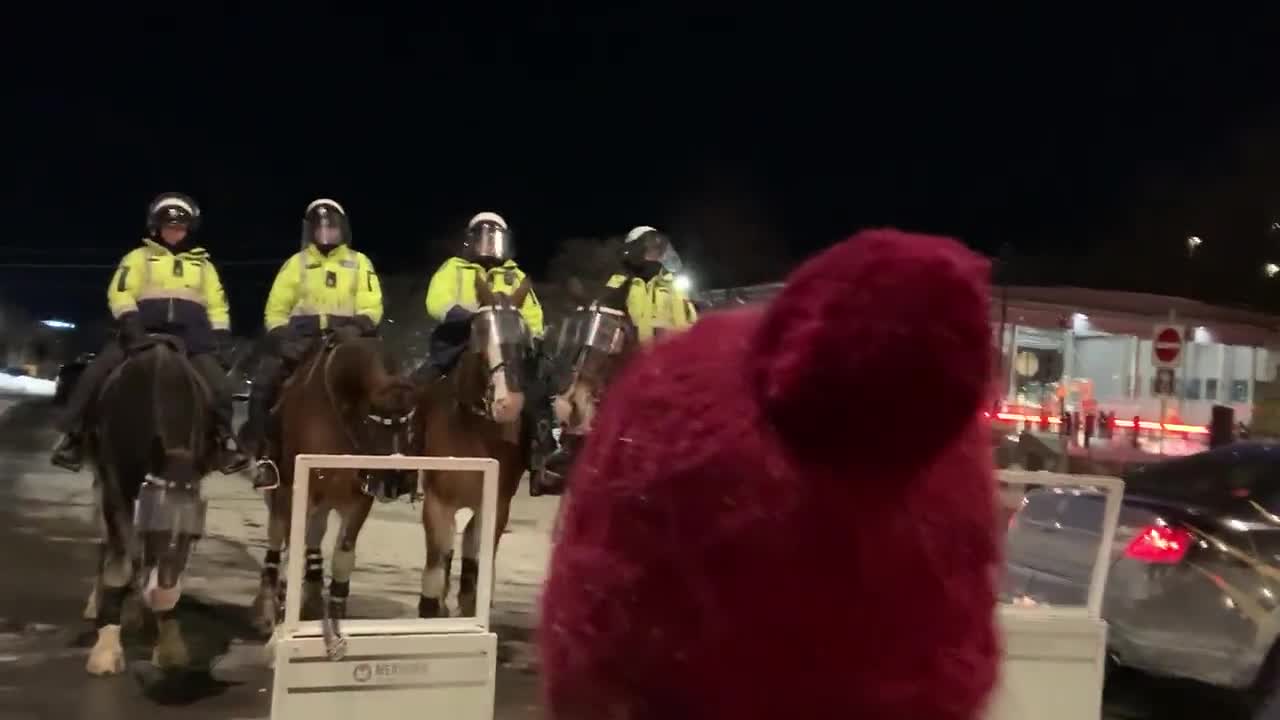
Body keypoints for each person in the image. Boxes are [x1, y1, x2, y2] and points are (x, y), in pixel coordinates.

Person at [539, 229, 1001, 719]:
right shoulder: (618, 286)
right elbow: (599, 331)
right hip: (640, 371)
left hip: (670, 396)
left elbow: (688, 319)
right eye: (648, 251)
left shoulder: (670, 291)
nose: (654, 257)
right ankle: (548, 441)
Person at [51, 193, 249, 474]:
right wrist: (131, 323)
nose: (174, 232)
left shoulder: (204, 266)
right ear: (156, 227)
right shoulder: (138, 258)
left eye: (180, 227)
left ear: (189, 229)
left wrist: (219, 338)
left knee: (219, 387)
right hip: (140, 333)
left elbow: (218, 306)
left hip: (190, 341)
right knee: (95, 373)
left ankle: (223, 441)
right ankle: (74, 437)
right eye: (169, 226)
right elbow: (120, 292)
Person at [240, 198, 383, 489]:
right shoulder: (297, 264)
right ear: (311, 232)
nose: (327, 233)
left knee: (381, 386)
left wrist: (357, 327)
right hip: (301, 340)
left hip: (347, 340)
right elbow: (275, 310)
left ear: (343, 230)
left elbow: (372, 306)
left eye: (332, 228)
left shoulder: (359, 263)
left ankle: (380, 463)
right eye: (321, 229)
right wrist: (283, 338)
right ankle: (265, 456)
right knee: (265, 384)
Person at [421, 212, 560, 495]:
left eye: (494, 239)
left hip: (507, 347)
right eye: (482, 239)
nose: (488, 246)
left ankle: (540, 462)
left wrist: (530, 334)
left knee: (537, 395)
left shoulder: (515, 275)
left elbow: (533, 313)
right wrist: (465, 315)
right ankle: (404, 461)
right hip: (460, 339)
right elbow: (435, 300)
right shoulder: (453, 268)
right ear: (470, 241)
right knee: (418, 385)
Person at [605, 225, 698, 343]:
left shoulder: (674, 285)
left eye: (660, 247)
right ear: (635, 250)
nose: (656, 251)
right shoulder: (621, 281)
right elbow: (605, 318)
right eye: (650, 246)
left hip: (676, 356)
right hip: (635, 356)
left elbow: (692, 322)